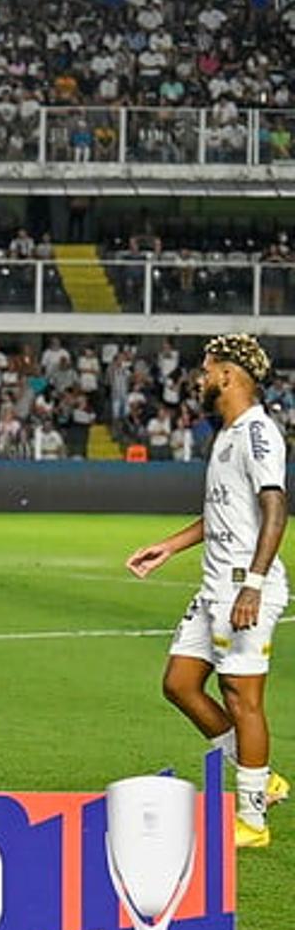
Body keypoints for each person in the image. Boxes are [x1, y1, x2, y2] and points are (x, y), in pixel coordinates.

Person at [126, 335, 291, 847]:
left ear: (229, 375)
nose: (199, 378)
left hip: (244, 585)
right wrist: (169, 547)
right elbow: (222, 512)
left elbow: (274, 509)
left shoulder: (258, 433)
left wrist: (255, 586)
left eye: (206, 369)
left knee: (243, 699)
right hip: (214, 584)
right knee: (179, 682)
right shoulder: (225, 434)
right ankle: (260, 776)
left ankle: (252, 819)